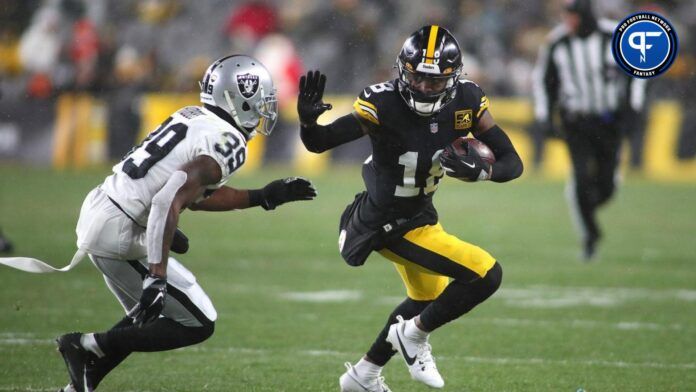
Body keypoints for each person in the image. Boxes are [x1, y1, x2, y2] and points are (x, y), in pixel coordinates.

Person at [0, 55, 316, 391]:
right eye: (260, 101)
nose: (265, 109)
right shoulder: (228, 140)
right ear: (239, 98)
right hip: (120, 228)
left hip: (103, 208)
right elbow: (169, 199)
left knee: (145, 317)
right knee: (198, 321)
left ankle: (82, 381)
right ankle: (86, 345)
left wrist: (262, 196)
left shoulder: (192, 116)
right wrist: (157, 274)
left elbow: (190, 195)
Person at [297, 25, 523, 391]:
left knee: (426, 298)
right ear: (403, 70)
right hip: (386, 223)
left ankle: (362, 376)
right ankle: (413, 336)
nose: (422, 87)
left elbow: (513, 162)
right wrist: (309, 122)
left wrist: (485, 172)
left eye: (433, 82)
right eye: (416, 77)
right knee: (486, 274)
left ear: (453, 78)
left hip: (420, 216)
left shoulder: (467, 100)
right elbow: (320, 144)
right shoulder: (382, 104)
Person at [532, 0, 646, 260]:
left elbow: (637, 72)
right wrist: (545, 118)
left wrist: (633, 110)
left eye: (571, 17)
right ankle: (591, 234)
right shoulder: (557, 43)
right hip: (577, 123)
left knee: (606, 186)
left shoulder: (614, 35)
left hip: (609, 121)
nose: (567, 22)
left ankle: (584, 210)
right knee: (582, 179)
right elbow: (544, 80)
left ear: (584, 16)